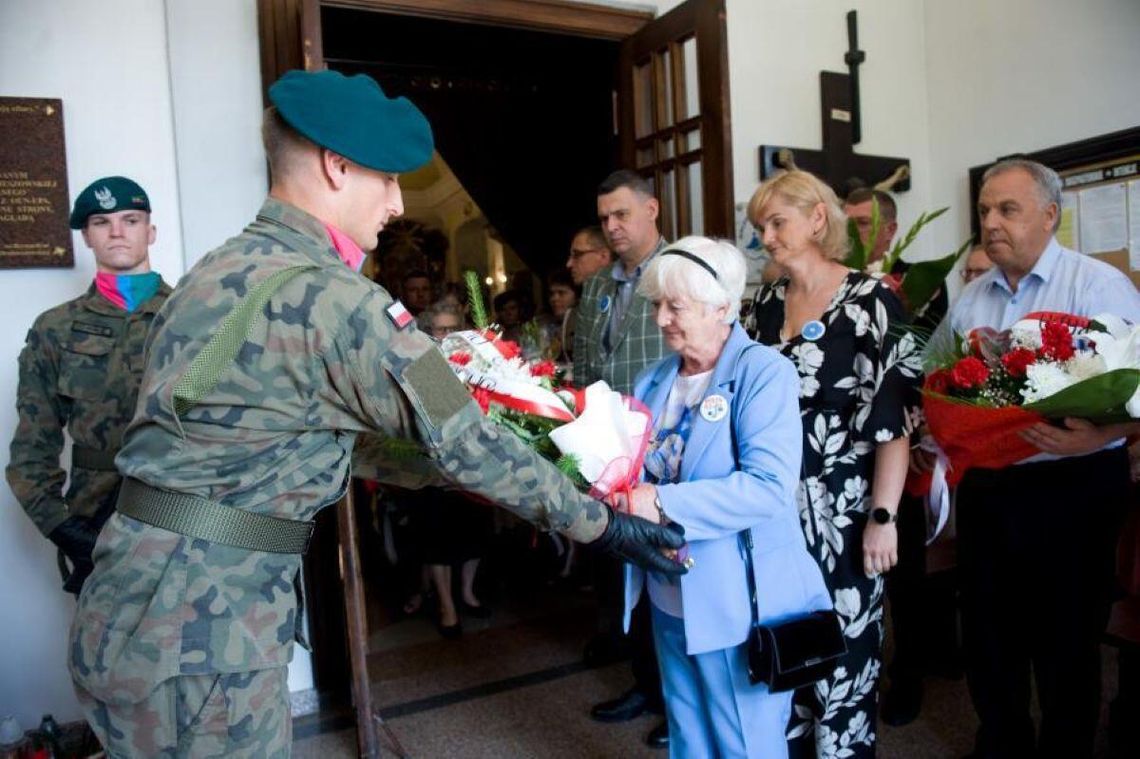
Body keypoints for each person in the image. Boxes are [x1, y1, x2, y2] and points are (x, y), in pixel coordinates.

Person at [67, 69, 685, 757]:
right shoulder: (339, 302)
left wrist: (437, 472)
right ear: (337, 167)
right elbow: (466, 437)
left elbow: (307, 432)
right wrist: (599, 524)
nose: (395, 203)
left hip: (131, 597)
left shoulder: (217, 271)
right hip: (206, 629)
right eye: (389, 178)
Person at [928, 158, 1140, 759]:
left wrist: (1100, 437)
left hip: (1074, 486)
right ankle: (1001, 743)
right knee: (990, 638)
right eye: (985, 211)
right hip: (991, 491)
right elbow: (941, 383)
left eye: (1007, 209)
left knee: (1066, 642)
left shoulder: (1097, 287)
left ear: (1050, 216)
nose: (991, 223)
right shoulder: (970, 297)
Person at [619, 236, 831, 758]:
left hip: (735, 599)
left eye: (676, 306)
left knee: (745, 743)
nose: (661, 318)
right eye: (656, 304)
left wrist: (663, 503)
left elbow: (768, 487)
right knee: (688, 740)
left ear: (722, 307)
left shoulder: (763, 372)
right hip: (668, 592)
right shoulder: (653, 380)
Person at [745, 170, 922, 758]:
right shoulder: (765, 304)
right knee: (786, 655)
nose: (766, 238)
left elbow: (893, 418)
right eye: (760, 228)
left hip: (845, 512)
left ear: (818, 219)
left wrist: (883, 516)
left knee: (844, 665)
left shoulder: (874, 300)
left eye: (778, 223)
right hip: (773, 509)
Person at [6, 176, 172, 596]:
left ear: (150, 231)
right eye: (102, 222)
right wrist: (61, 527)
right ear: (86, 236)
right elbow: (31, 448)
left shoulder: (192, 315)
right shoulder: (56, 328)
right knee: (108, 655)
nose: (117, 232)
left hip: (185, 513)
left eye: (130, 220)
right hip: (98, 517)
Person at [845, 186, 953, 726]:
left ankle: (906, 674)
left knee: (905, 575)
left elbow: (929, 355)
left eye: (862, 223)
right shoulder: (832, 281)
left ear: (889, 230)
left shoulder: (919, 283)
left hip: (903, 447)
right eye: (845, 223)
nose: (852, 235)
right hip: (843, 451)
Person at [577, 169, 672, 748]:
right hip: (606, 451)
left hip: (664, 447)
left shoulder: (679, 271)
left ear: (651, 210)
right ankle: (643, 683)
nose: (611, 227)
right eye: (605, 218)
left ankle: (675, 698)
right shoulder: (596, 286)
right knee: (619, 573)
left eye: (621, 215)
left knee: (665, 572)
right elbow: (586, 359)